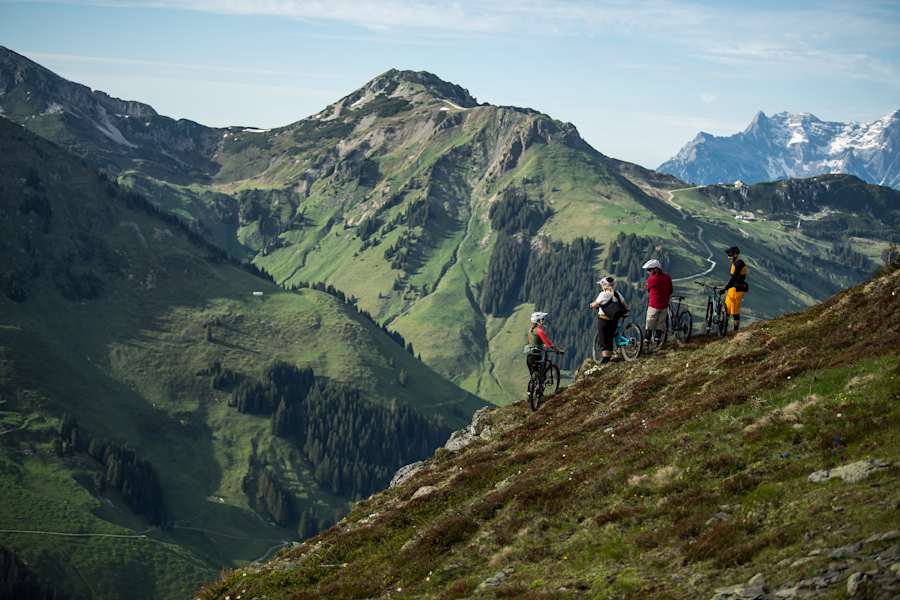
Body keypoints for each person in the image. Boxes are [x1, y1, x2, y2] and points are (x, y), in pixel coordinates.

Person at [590, 276, 629, 364]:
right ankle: (610, 355)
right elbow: (625, 305)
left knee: (604, 337)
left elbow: (596, 304)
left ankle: (605, 358)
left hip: (604, 320)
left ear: (604, 285)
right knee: (611, 337)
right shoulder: (617, 293)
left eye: (601, 284)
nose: (601, 286)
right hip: (614, 319)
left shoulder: (603, 294)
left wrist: (591, 305)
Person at [642, 259, 672, 345]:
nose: (648, 272)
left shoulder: (651, 280)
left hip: (654, 306)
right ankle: (657, 342)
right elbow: (670, 290)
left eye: (649, 270)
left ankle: (647, 343)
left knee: (649, 325)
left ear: (655, 269)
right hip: (664, 305)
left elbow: (648, 289)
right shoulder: (667, 277)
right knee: (660, 324)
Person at [720, 246, 749, 333]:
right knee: (727, 310)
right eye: (728, 255)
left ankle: (735, 332)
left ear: (736, 254)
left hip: (738, 290)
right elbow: (732, 279)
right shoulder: (735, 263)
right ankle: (723, 331)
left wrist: (725, 288)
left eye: (730, 255)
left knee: (734, 311)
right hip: (732, 290)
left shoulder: (739, 264)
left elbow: (734, 278)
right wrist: (727, 288)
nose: (728, 257)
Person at [527, 311, 554, 375]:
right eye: (542, 319)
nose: (543, 321)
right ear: (538, 321)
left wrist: (540, 344)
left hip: (529, 356)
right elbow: (548, 343)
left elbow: (531, 342)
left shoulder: (530, 330)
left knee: (534, 377)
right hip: (537, 356)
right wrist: (557, 350)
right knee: (541, 374)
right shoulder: (539, 331)